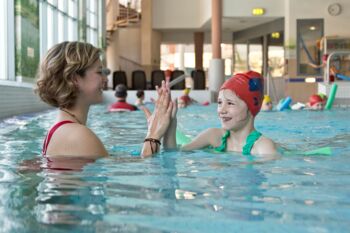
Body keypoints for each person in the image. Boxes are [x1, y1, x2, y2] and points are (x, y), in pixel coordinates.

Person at [35, 41, 174, 159]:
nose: (105, 79)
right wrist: (154, 134)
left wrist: (158, 131)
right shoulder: (77, 135)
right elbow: (144, 173)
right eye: (99, 72)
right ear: (74, 79)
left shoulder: (65, 130)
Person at [153, 71, 278, 157]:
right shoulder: (213, 136)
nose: (221, 110)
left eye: (230, 103)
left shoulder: (264, 148)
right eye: (219, 102)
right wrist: (171, 122)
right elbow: (175, 153)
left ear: (252, 108)